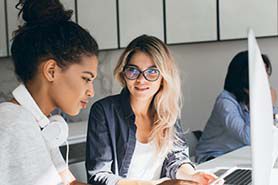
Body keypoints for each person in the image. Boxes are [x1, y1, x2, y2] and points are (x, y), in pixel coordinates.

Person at [86, 35, 219, 185]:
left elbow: (176, 158)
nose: (141, 80)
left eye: (152, 72)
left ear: (163, 76)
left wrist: (193, 175)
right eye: (133, 70)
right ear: (124, 73)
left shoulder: (167, 111)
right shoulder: (104, 111)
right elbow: (99, 176)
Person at [0, 0, 98, 184]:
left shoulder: (36, 121)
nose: (91, 91)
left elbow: (69, 182)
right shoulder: (15, 125)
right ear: (51, 70)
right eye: (86, 78)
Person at [195, 50, 277, 164]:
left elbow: (271, 132)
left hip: (239, 155)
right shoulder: (225, 102)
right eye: (260, 72)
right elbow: (249, 138)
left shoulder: (250, 98)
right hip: (213, 158)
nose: (266, 78)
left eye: (266, 72)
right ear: (244, 75)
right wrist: (267, 106)